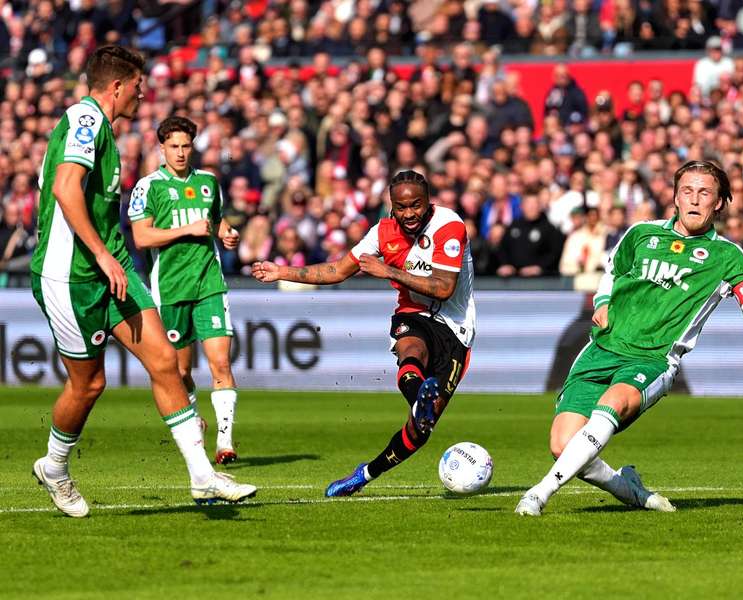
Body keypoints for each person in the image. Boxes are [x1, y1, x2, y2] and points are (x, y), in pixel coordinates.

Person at [29, 46, 255, 518]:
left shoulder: (104, 130)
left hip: (112, 267)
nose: (142, 93)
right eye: (138, 85)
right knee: (89, 385)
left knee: (165, 361)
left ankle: (202, 476)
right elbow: (65, 188)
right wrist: (100, 255)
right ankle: (54, 466)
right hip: (70, 275)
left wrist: (110, 258)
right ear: (117, 86)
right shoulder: (84, 120)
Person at [515, 160, 743, 516]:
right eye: (687, 191)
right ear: (675, 197)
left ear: (720, 202)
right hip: (601, 348)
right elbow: (612, 271)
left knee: (612, 405)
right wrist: (603, 302)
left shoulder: (727, 256)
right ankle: (631, 491)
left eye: (704, 192)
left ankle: (538, 493)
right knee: (562, 445)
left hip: (653, 359)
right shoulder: (641, 234)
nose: (695, 199)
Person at [252, 170, 475, 496]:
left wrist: (388, 270)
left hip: (456, 327)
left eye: (416, 205)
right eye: (401, 207)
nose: (409, 213)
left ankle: (366, 473)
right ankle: (420, 397)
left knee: (420, 431)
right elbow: (337, 270)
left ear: (428, 202)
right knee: (411, 349)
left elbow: (443, 288)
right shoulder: (382, 233)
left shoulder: (448, 226)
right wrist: (281, 271)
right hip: (413, 313)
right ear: (391, 206)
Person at [129, 116, 243, 465]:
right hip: (170, 289)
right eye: (174, 146)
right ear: (162, 148)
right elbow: (141, 237)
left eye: (186, 146)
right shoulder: (148, 187)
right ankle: (195, 420)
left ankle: (225, 442)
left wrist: (226, 233)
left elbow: (216, 221)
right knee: (179, 373)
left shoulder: (208, 182)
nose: (180, 153)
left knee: (220, 362)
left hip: (209, 283)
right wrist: (187, 230)